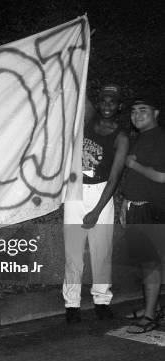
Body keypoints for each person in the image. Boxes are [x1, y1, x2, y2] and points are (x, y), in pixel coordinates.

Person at [62, 84, 129, 323]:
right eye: (104, 100)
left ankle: (101, 300)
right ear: (98, 104)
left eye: (113, 101)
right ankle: (72, 304)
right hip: (76, 191)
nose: (108, 105)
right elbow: (78, 88)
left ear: (119, 106)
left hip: (101, 193)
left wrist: (96, 211)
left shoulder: (120, 136)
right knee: (73, 253)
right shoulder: (88, 120)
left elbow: (114, 177)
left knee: (102, 253)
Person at [120, 95, 164, 333]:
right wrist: (125, 204)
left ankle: (149, 317)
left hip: (151, 208)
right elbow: (135, 178)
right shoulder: (141, 137)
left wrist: (132, 164)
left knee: (151, 265)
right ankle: (152, 307)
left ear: (156, 113)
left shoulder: (160, 138)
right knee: (146, 263)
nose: (137, 115)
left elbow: (161, 176)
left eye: (143, 110)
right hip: (137, 207)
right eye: (134, 111)